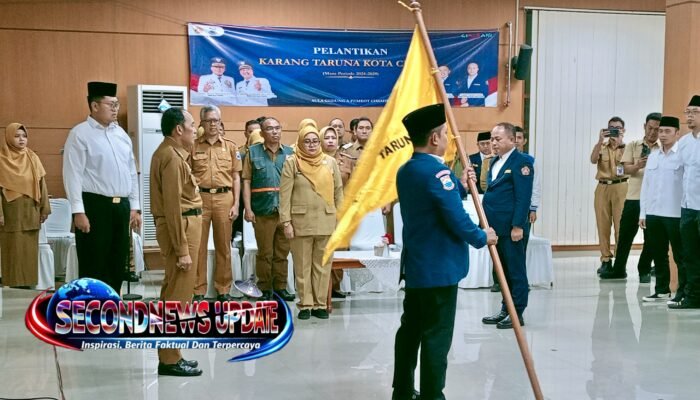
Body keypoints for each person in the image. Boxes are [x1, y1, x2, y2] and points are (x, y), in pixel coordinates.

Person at [393, 104, 496, 400]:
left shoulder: (407, 169)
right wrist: (483, 236)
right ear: (434, 138)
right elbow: (456, 218)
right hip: (439, 269)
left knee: (410, 331)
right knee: (436, 338)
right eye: (445, 133)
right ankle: (432, 395)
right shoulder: (437, 172)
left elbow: (433, 203)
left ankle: (402, 391)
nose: (448, 138)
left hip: (417, 267)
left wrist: (460, 186)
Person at [63, 82, 141, 294]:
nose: (115, 109)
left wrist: (135, 206)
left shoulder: (121, 135)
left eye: (117, 104)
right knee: (94, 260)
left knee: (117, 261)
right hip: (95, 206)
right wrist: (78, 211)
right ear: (95, 106)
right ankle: (91, 307)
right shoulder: (80, 134)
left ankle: (111, 304)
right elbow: (72, 175)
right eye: (110, 104)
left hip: (121, 206)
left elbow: (131, 172)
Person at [150, 107, 203, 377]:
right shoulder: (171, 157)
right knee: (179, 296)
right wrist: (182, 250)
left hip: (183, 225)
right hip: (181, 227)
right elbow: (172, 207)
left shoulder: (173, 153)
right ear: (179, 129)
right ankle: (169, 359)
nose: (196, 130)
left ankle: (172, 354)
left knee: (174, 292)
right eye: (192, 125)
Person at [279, 125, 343, 319]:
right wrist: (286, 222)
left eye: (315, 141)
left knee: (323, 265)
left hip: (326, 220)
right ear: (300, 142)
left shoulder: (330, 162)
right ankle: (306, 305)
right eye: (307, 141)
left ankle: (320, 304)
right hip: (300, 222)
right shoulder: (292, 162)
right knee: (302, 265)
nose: (312, 145)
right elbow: (284, 196)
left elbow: (338, 192)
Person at [481, 122, 534, 329]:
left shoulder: (522, 162)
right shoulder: (495, 161)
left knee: (515, 271)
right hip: (496, 228)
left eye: (498, 139)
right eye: (492, 139)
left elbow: (523, 197)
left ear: (512, 140)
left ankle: (517, 312)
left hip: (512, 228)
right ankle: (506, 308)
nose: (493, 143)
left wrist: (518, 226)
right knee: (502, 272)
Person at [190, 106, 241, 302]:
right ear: (201, 123)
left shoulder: (231, 147)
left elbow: (236, 177)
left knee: (223, 246)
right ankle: (198, 289)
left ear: (220, 122)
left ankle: (223, 289)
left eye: (216, 120)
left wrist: (236, 204)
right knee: (198, 246)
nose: (213, 124)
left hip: (224, 198)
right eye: (209, 120)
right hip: (200, 199)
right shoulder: (193, 146)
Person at [600, 113, 661, 280]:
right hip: (633, 198)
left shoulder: (662, 149)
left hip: (654, 200)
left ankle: (644, 269)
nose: (652, 132)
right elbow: (623, 170)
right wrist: (637, 165)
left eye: (656, 129)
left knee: (651, 237)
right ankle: (618, 269)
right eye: (650, 128)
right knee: (625, 235)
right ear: (644, 127)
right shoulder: (633, 146)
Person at [242, 117, 295, 301]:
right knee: (265, 253)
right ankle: (264, 288)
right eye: (270, 129)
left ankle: (280, 287)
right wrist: (248, 208)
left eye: (277, 128)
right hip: (262, 210)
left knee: (282, 253)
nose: (275, 132)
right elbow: (246, 181)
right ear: (262, 133)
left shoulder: (290, 153)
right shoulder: (253, 152)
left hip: (285, 212)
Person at [638, 116, 685, 302]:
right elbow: (646, 186)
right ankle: (662, 290)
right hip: (654, 213)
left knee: (681, 256)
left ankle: (683, 292)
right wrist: (643, 213)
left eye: (667, 131)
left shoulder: (682, 155)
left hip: (675, 213)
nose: (663, 135)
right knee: (659, 254)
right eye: (661, 131)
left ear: (677, 133)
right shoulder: (653, 156)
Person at [0, 123, 51, 288]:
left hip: (31, 210)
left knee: (29, 249)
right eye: (17, 136)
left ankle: (28, 283)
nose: (21, 139)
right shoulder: (2, 159)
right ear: (9, 137)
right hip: (11, 212)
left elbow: (42, 185)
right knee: (13, 248)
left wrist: (44, 208)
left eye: (24, 136)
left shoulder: (32, 157)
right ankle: (12, 283)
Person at [670, 95, 700, 309]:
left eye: (694, 112)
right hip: (688, 208)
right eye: (687, 112)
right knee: (690, 255)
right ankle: (693, 297)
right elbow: (677, 173)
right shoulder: (684, 143)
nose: (689, 116)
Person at [589, 117, 628, 275]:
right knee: (603, 225)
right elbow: (593, 160)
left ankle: (620, 261)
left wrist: (620, 143)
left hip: (621, 187)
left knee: (621, 226)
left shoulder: (628, 148)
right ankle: (606, 259)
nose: (614, 130)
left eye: (617, 128)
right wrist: (600, 141)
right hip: (603, 187)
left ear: (623, 130)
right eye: (611, 127)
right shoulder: (602, 147)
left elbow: (632, 165)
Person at [338, 117, 372, 185]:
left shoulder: (378, 150)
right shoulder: (346, 150)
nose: (364, 131)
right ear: (355, 131)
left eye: (368, 128)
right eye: (361, 128)